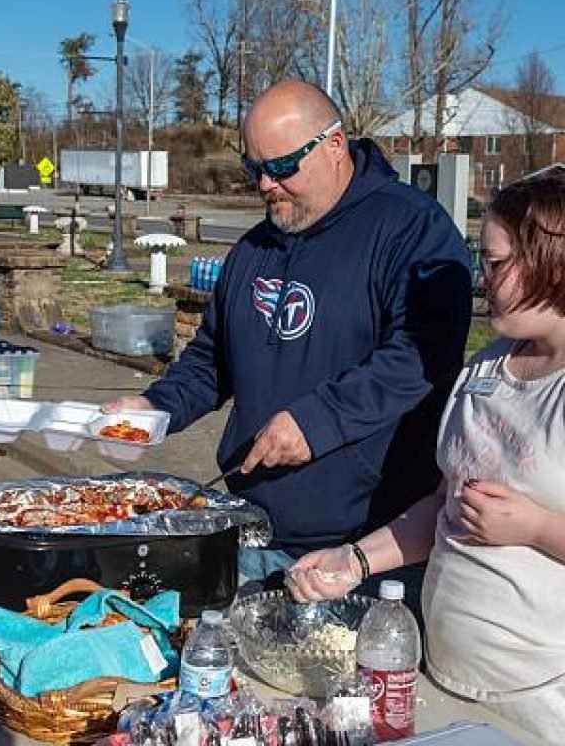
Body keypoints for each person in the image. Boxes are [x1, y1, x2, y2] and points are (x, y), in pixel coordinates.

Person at [107, 80, 472, 611]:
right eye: (252, 168)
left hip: (357, 550)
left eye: (280, 167)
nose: (264, 184)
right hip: (250, 525)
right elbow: (212, 359)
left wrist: (317, 422)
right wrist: (152, 408)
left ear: (334, 145)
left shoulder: (412, 228)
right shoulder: (254, 247)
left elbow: (420, 357)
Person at [287, 173, 565, 742]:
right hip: (443, 678)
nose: (482, 281)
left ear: (554, 262)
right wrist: (353, 562)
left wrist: (537, 528)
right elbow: (443, 509)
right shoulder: (483, 369)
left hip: (542, 702)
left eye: (496, 263)